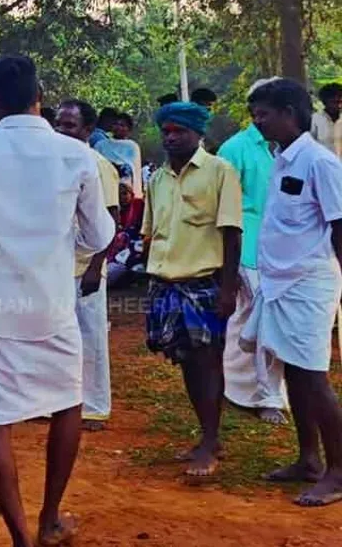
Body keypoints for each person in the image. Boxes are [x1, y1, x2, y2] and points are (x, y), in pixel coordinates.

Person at [0, 55, 115, 547]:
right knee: (68, 403)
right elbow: (99, 233)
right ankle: (49, 516)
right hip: (52, 302)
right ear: (40, 96)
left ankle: (19, 534)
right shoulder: (76, 155)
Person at [241, 78, 342, 506]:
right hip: (279, 283)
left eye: (263, 114)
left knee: (314, 378)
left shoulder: (320, 162)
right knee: (295, 372)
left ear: (289, 112)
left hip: (308, 283)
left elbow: (340, 226)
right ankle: (308, 460)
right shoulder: (282, 158)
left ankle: (338, 472)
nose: (257, 122)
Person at [142, 101, 242, 478]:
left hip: (204, 284)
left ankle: (210, 442)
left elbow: (232, 233)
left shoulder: (220, 172)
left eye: (178, 131)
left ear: (199, 134)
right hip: (166, 283)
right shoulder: (157, 178)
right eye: (166, 131)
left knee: (208, 362)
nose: (170, 137)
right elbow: (152, 234)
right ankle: (208, 437)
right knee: (186, 360)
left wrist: (228, 289)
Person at [216, 81, 289, 426]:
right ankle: (266, 396)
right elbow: (221, 204)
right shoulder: (236, 148)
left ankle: (239, 388)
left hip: (277, 248)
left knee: (249, 321)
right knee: (260, 321)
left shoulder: (281, 148)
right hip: (245, 246)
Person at [54, 100, 121, 430]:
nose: (62, 130)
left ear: (87, 130)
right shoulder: (53, 161)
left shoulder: (97, 164)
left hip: (87, 266)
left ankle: (95, 406)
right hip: (55, 265)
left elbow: (111, 218)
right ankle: (60, 402)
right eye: (59, 124)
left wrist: (97, 266)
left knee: (91, 337)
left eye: (70, 125)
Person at [95, 111, 144, 198]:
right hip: (106, 190)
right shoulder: (101, 145)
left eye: (122, 125)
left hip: (127, 192)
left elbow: (136, 171)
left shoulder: (132, 146)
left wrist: (137, 194)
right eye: (116, 124)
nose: (118, 127)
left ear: (128, 129)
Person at [310, 82, 342, 157]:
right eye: (334, 102)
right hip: (325, 164)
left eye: (340, 102)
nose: (339, 105)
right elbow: (311, 143)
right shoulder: (315, 119)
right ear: (325, 102)